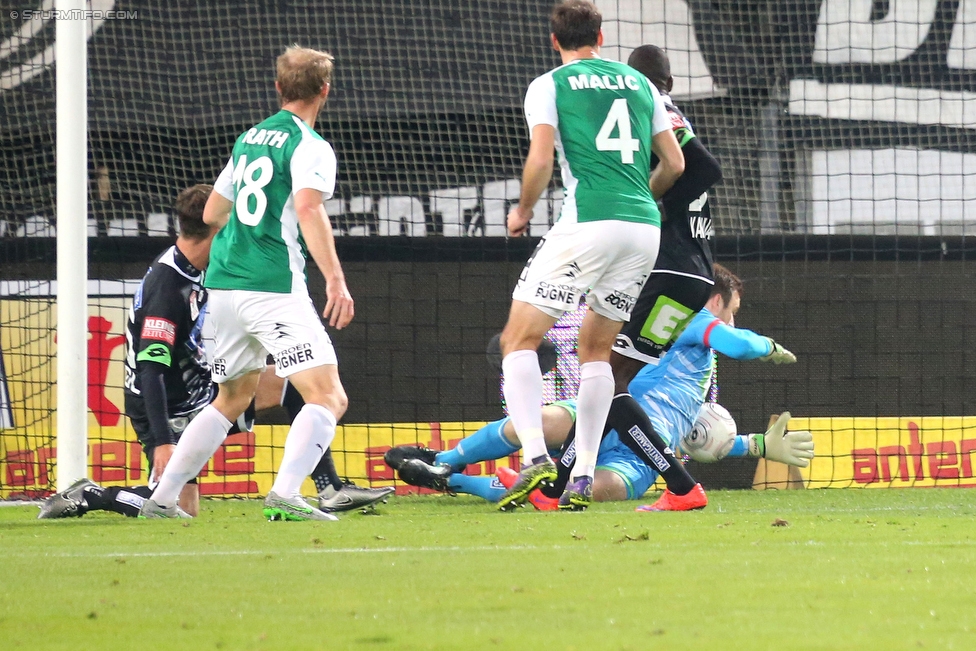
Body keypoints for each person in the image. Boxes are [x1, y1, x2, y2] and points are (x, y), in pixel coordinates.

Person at [38, 184, 388, 520]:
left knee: (295, 383)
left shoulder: (202, 268)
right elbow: (151, 370)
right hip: (165, 405)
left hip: (201, 389)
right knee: (183, 509)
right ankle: (93, 495)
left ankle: (329, 489)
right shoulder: (169, 289)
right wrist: (162, 440)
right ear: (217, 228)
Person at [140, 46, 355, 521]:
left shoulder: (248, 139)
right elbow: (308, 207)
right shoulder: (310, 145)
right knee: (329, 396)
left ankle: (160, 499)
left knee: (232, 398)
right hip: (271, 286)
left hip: (222, 287)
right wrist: (335, 280)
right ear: (325, 90)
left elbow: (213, 212)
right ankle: (285, 495)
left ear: (278, 88)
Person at [387, 265, 806, 508]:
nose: (731, 318)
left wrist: (755, 446)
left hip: (641, 452)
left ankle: (452, 479)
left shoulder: (693, 368)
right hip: (604, 418)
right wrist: (767, 345)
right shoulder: (693, 319)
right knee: (538, 421)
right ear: (716, 301)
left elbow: (692, 439)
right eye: (733, 310)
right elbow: (737, 343)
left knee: (590, 490)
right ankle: (445, 461)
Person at [498, 0, 685, 511]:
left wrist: (523, 211)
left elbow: (540, 157)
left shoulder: (549, 85)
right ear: (601, 38)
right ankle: (580, 472)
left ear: (554, 40)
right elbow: (675, 161)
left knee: (518, 338)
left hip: (589, 222)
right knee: (595, 351)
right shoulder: (642, 84)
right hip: (643, 228)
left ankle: (536, 456)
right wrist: (642, 197)